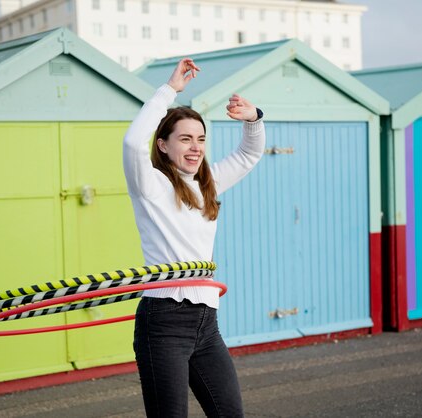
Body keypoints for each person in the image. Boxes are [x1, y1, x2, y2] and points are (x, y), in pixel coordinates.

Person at [123, 57, 265, 417]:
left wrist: (254, 119)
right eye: (185, 139)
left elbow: (250, 154)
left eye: (201, 139)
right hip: (164, 321)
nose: (195, 147)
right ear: (163, 146)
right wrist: (169, 90)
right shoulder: (150, 185)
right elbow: (132, 143)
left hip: (206, 322)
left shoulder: (208, 185)